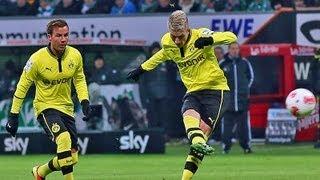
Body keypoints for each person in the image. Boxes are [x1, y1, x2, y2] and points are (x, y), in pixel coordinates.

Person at [127, 10, 237, 180]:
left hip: (216, 91)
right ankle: (198, 144)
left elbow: (232, 37)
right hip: (193, 91)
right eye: (174, 36)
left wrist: (211, 40)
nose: (177, 40)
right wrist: (142, 69)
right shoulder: (168, 41)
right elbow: (162, 55)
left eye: (181, 36)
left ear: (188, 28)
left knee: (201, 134)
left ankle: (194, 154)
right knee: (188, 113)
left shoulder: (202, 35)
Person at [5, 19, 91, 180]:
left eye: (66, 35)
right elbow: (22, 86)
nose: (63, 39)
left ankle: (40, 172)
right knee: (63, 138)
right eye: (59, 35)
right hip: (45, 107)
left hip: (66, 108)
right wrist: (13, 115)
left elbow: (79, 79)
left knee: (72, 158)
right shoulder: (36, 59)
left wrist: (84, 100)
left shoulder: (75, 55)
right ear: (49, 37)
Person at [219, 42, 254, 154]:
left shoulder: (244, 63)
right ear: (228, 50)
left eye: (236, 48)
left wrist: (244, 90)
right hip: (227, 101)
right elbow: (216, 80)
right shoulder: (222, 64)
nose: (235, 50)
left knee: (244, 126)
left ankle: (246, 147)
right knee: (226, 126)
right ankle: (226, 147)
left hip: (242, 100)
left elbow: (251, 77)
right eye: (232, 48)